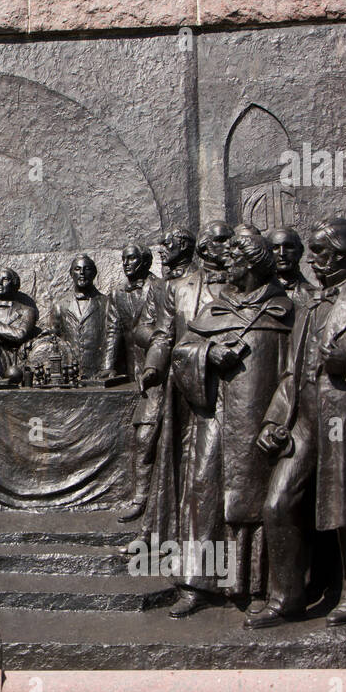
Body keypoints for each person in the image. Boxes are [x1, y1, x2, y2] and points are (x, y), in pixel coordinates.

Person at [248, 218, 346, 629]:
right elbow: (290, 373)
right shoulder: (311, 305)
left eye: (316, 250)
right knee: (277, 504)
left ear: (337, 253)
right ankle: (286, 598)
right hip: (303, 420)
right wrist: (273, 419)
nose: (310, 259)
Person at [168, 234, 294, 612]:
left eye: (234, 261)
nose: (226, 268)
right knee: (203, 496)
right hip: (216, 417)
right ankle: (197, 584)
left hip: (260, 420)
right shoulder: (216, 309)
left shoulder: (284, 311)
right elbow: (182, 352)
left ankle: (254, 587)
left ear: (252, 266)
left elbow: (295, 371)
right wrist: (208, 353)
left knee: (255, 502)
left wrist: (279, 419)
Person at [140, 221, 234, 557]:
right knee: (176, 463)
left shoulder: (240, 287)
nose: (229, 245)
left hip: (224, 390)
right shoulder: (177, 287)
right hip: (182, 385)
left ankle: (212, 554)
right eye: (222, 240)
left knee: (210, 472)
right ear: (206, 247)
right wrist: (153, 366)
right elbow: (164, 334)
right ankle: (169, 538)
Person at [102, 244, 164, 521]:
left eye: (132, 258)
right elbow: (113, 330)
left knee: (147, 437)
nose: (127, 263)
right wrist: (107, 367)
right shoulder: (116, 293)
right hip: (131, 368)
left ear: (146, 261)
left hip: (158, 368)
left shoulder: (161, 288)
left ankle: (144, 499)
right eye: (123, 258)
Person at [0, 267, 39, 380]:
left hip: (16, 366)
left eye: (5, 280)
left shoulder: (27, 311)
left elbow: (20, 334)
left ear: (14, 284)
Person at [51, 255, 109, 379]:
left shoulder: (106, 303)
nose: (82, 273)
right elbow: (55, 340)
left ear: (94, 273)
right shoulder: (60, 306)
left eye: (86, 269)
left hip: (98, 374)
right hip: (69, 375)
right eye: (77, 269)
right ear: (71, 273)